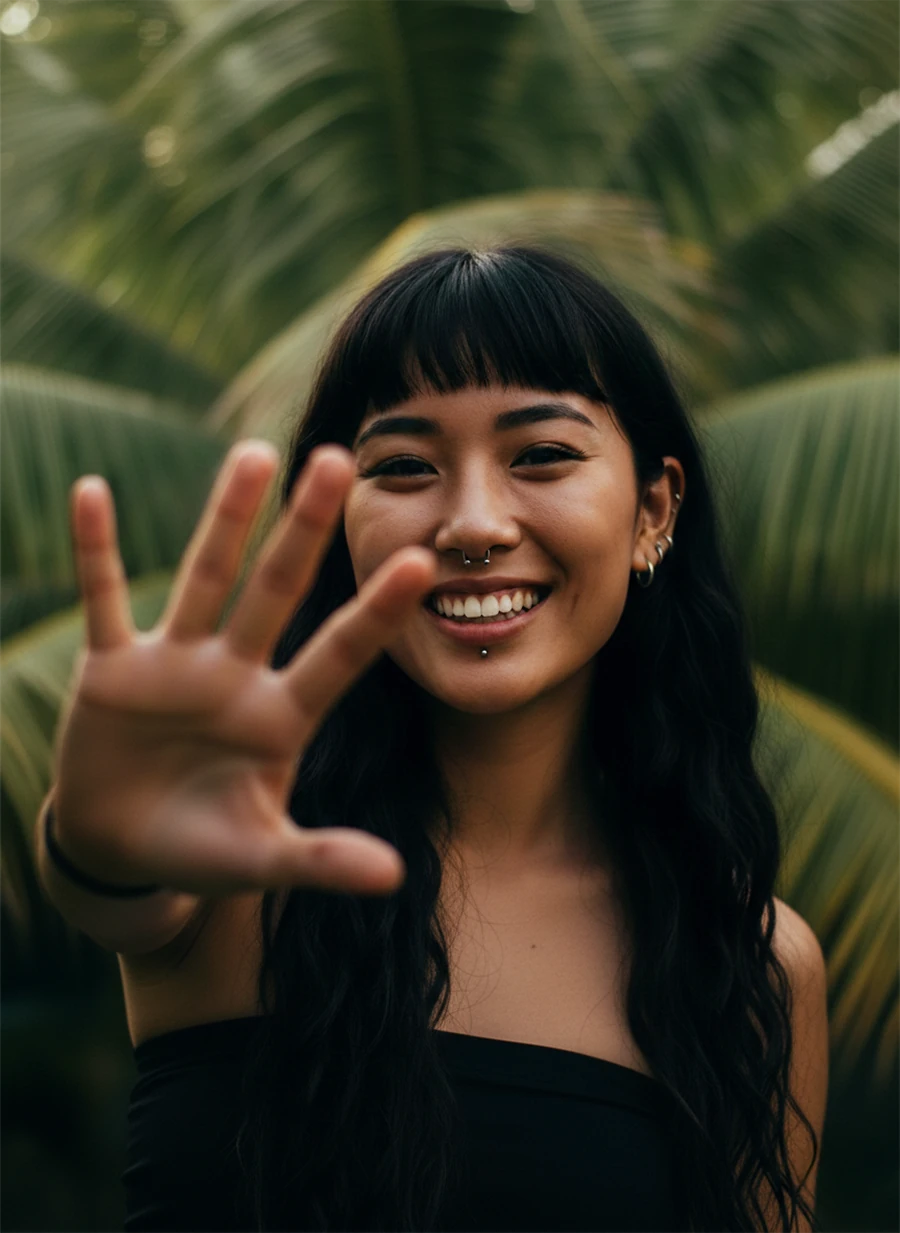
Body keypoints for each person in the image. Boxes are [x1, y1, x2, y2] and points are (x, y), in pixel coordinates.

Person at [36, 246, 828, 1232]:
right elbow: (114, 875)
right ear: (338, 520)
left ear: (654, 508)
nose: (473, 523)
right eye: (405, 467)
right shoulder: (240, 859)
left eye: (541, 454)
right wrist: (99, 835)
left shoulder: (750, 966)